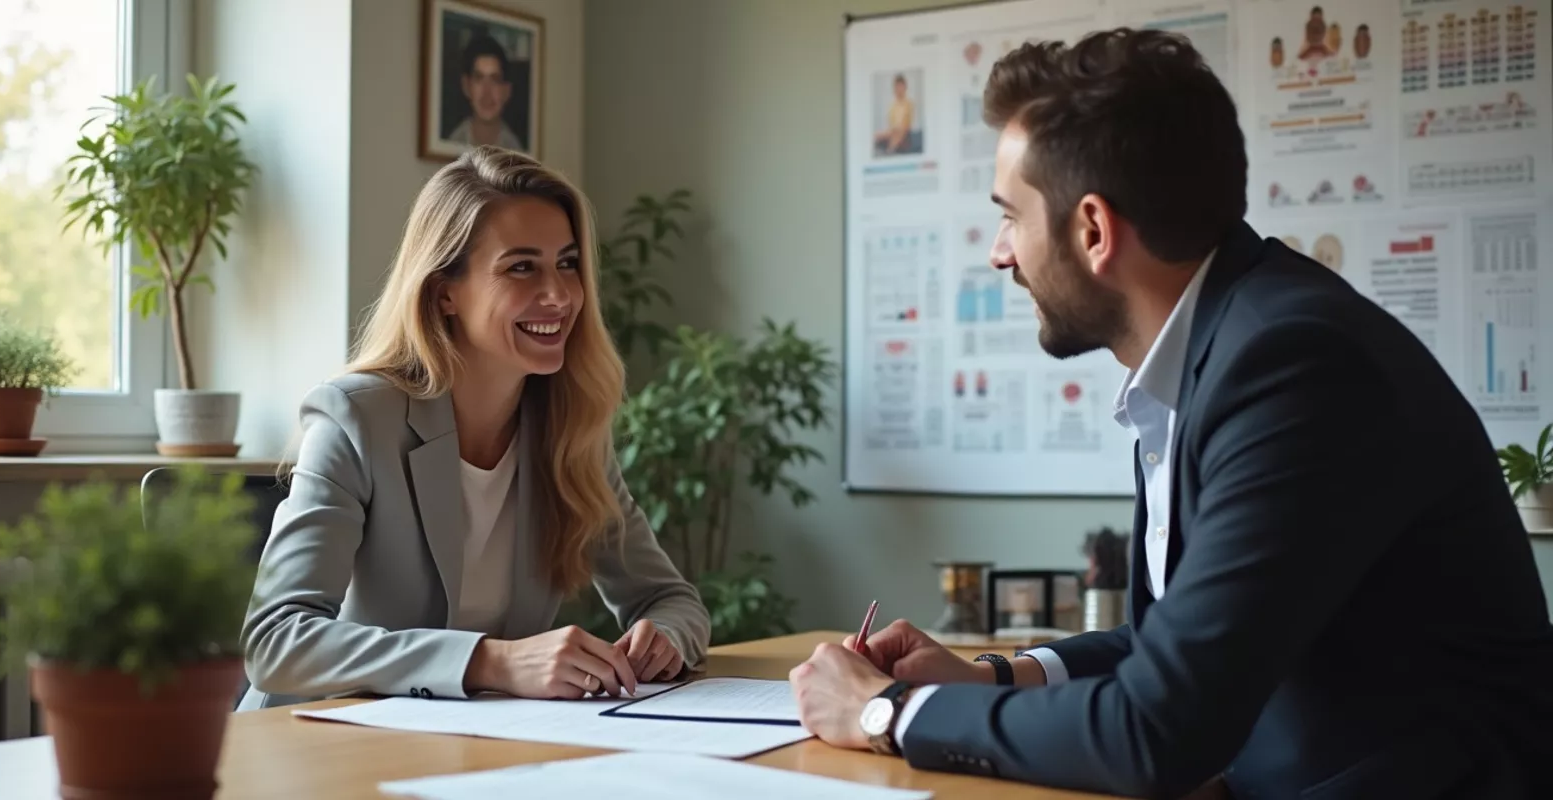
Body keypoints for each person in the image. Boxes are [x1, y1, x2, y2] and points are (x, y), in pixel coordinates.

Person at [790, 28, 1553, 800]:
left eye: (1010, 217)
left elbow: (1157, 731)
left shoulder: (1292, 367)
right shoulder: (1223, 347)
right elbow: (1180, 647)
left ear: (1093, 229)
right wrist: (996, 676)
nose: (1000, 253)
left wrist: (887, 713)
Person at [239, 146, 710, 711]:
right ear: (445, 293)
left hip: (474, 745)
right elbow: (276, 641)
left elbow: (670, 600)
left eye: (566, 263)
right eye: (521, 267)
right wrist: (491, 661)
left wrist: (663, 638)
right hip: (317, 743)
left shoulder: (570, 428)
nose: (559, 295)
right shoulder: (356, 420)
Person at [447, 33, 526, 152]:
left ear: (506, 90)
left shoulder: (517, 152)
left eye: (495, 79)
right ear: (466, 86)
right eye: (479, 78)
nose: (487, 91)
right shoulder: (451, 143)